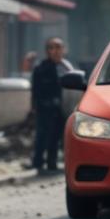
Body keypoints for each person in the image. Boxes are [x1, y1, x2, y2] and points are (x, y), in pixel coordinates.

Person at [31, 37, 71, 174]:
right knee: (42, 135)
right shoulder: (41, 68)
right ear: (48, 51)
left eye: (58, 47)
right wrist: (35, 107)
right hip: (45, 108)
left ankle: (52, 162)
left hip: (61, 108)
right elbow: (35, 91)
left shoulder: (66, 67)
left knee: (57, 135)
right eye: (52, 48)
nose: (55, 51)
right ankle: (38, 163)